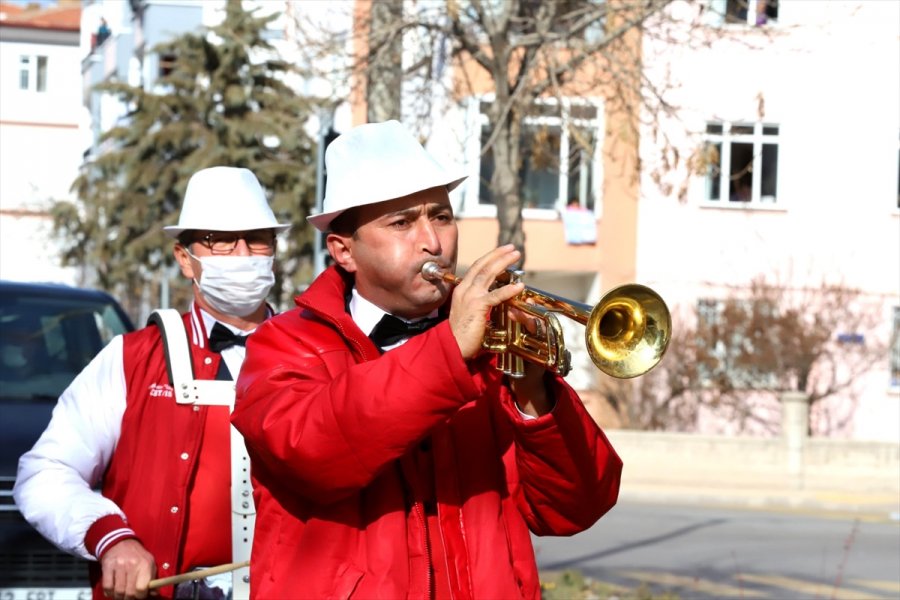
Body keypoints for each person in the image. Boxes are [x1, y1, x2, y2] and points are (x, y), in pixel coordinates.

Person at [231, 120, 623, 598]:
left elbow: (575, 507)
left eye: (440, 217)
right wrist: (449, 352)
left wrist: (534, 395)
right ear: (343, 250)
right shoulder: (283, 343)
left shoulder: (488, 349)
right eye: (401, 223)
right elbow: (313, 454)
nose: (432, 242)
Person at [14, 167, 289, 600]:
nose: (242, 254)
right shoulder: (132, 357)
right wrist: (112, 537)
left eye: (257, 239)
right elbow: (46, 472)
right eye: (220, 240)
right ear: (184, 258)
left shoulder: (317, 352)